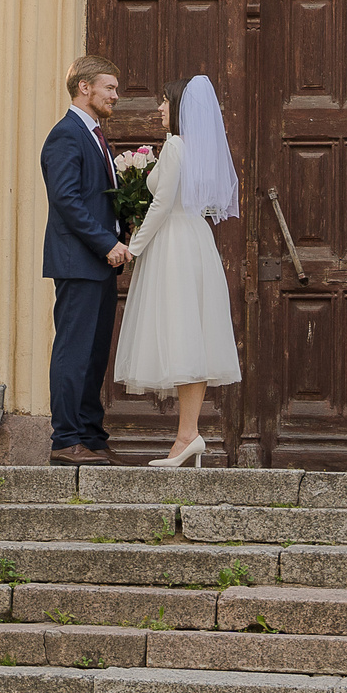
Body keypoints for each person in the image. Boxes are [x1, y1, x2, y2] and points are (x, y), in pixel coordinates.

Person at [111, 74, 243, 468]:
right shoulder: (202, 150)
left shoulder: (175, 146)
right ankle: (189, 435)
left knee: (182, 334)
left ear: (181, 108)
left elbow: (161, 204)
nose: (160, 109)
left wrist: (132, 248)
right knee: (194, 337)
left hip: (173, 246)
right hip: (197, 242)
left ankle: (187, 435)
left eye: (165, 102)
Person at [41, 55, 130, 465]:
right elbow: (67, 200)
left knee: (94, 354)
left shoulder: (95, 135)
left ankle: (92, 436)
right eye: (109, 88)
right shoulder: (66, 135)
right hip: (78, 261)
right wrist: (104, 242)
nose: (115, 95)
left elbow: (98, 197)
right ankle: (66, 439)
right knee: (73, 352)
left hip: (99, 263)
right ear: (85, 88)